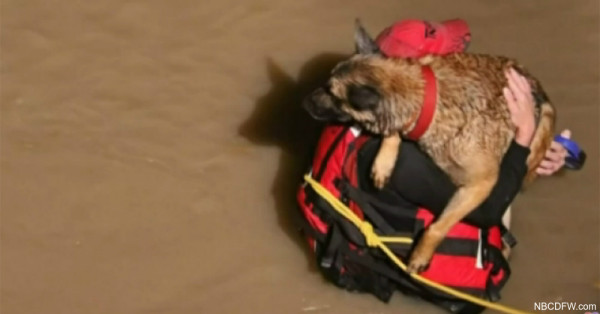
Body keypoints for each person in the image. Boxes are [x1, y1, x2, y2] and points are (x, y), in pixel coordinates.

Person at [355, 19, 572, 232]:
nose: (457, 68)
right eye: (445, 63)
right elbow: (489, 209)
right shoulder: (404, 162)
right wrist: (523, 138)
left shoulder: (373, 102)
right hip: (429, 254)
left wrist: (539, 145)